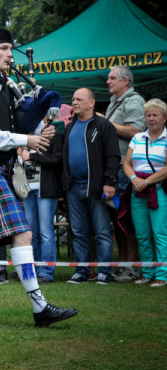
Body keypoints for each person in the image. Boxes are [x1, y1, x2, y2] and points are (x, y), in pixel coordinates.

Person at [0, 28, 77, 327]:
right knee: (22, 233)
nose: (11, 54)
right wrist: (25, 139)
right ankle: (40, 307)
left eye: (11, 49)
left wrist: (39, 131)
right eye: (5, 49)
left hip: (5, 167)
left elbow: (20, 123)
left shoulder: (7, 86)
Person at [62, 88, 120, 285]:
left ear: (92, 102)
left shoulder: (103, 125)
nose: (74, 102)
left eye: (79, 99)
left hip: (96, 187)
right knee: (78, 233)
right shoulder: (69, 127)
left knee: (102, 231)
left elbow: (113, 156)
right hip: (73, 187)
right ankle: (82, 271)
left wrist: (109, 182)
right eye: (73, 99)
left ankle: (104, 272)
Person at [102, 65, 146, 282]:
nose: (108, 81)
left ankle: (132, 268)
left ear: (125, 81)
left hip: (126, 169)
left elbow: (137, 132)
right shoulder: (115, 101)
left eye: (112, 78)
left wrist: (106, 122)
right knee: (118, 220)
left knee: (126, 219)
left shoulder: (134, 101)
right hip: (114, 168)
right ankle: (124, 266)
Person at [121, 99, 167, 287]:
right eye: (148, 115)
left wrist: (147, 181)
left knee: (160, 233)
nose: (151, 119)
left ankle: (162, 274)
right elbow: (126, 163)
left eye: (155, 115)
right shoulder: (137, 138)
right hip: (137, 191)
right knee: (142, 234)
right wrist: (134, 179)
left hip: (157, 190)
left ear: (164, 118)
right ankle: (147, 272)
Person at [20, 122, 64, 283]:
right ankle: (34, 270)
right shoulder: (23, 134)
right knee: (32, 233)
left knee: (46, 232)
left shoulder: (54, 135)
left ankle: (46, 272)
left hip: (46, 189)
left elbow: (57, 160)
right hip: (27, 190)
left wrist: (32, 156)